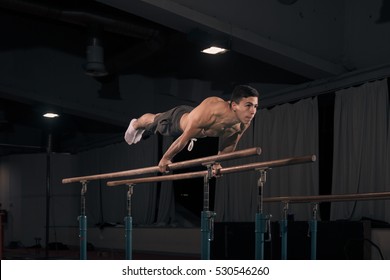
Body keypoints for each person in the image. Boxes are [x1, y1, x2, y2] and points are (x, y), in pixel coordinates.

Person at [124, 85, 259, 173]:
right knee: (154, 121)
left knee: (159, 119)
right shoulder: (212, 112)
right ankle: (135, 124)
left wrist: (217, 162)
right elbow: (183, 138)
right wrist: (166, 158)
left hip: (194, 119)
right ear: (234, 105)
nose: (253, 111)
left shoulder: (243, 123)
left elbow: (230, 144)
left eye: (255, 106)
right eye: (248, 105)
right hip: (178, 122)